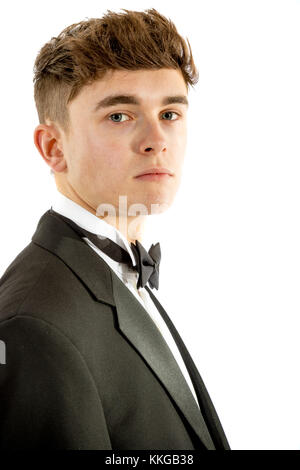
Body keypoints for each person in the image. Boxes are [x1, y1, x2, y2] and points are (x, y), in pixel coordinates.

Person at [0, 8, 230, 450]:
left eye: (170, 113)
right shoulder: (33, 326)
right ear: (53, 147)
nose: (156, 140)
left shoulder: (116, 269)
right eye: (120, 116)